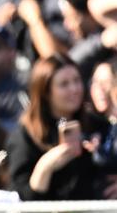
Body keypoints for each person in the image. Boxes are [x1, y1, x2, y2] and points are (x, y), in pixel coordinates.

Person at [6, 55, 112, 200]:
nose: (74, 89)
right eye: (64, 84)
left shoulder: (98, 125)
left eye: (76, 81)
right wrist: (46, 166)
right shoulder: (26, 135)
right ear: (45, 92)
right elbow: (21, 197)